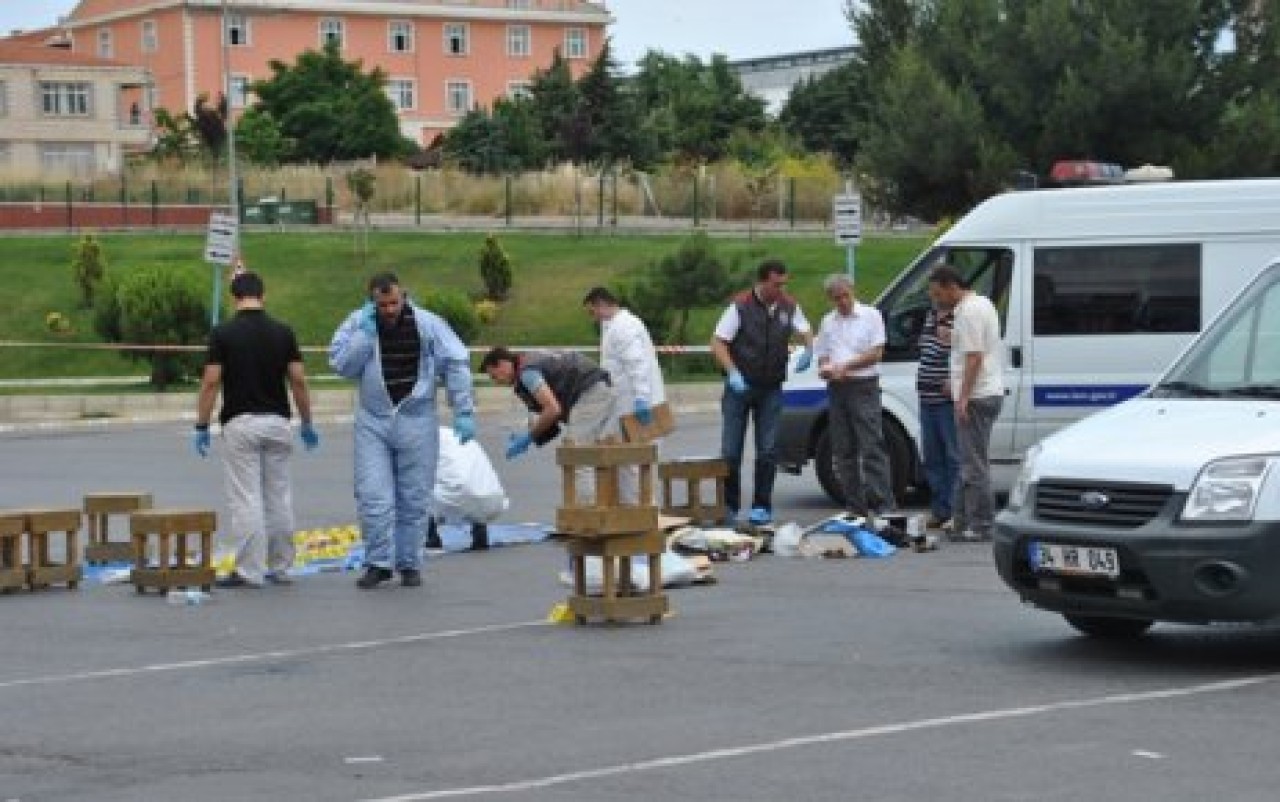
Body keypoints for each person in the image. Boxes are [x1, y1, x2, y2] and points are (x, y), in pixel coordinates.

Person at [329, 272, 476, 590]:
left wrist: (463, 408)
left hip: (417, 417)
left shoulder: (428, 324)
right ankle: (378, 562)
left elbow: (456, 361)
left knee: (415, 495)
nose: (390, 310)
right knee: (373, 495)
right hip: (373, 420)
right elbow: (341, 365)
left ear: (404, 296)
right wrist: (364, 338)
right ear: (372, 302)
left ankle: (409, 561)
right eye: (382, 305)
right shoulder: (358, 324)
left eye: (395, 302)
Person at [193, 270, 318, 589]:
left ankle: (250, 570)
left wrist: (202, 424)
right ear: (263, 295)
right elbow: (299, 381)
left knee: (246, 498)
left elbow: (210, 383)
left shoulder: (223, 334)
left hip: (241, 422)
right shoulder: (283, 332)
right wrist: (307, 422)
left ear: (235, 298)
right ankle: (281, 566)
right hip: (278, 422)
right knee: (279, 495)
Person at [710, 259, 814, 526]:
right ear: (762, 281)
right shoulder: (740, 306)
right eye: (776, 284)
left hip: (771, 388)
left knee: (768, 450)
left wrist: (809, 349)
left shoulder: (788, 306)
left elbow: (805, 329)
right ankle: (730, 506)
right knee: (731, 450)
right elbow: (718, 342)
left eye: (784, 283)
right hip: (740, 387)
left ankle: (761, 506)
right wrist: (733, 372)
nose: (781, 289)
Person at [927, 265, 1004, 541]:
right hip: (984, 391)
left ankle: (982, 524)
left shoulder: (969, 311)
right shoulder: (981, 303)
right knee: (966, 461)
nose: (937, 301)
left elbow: (974, 357)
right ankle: (960, 521)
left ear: (951, 286)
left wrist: (963, 396)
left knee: (973, 465)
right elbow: (969, 350)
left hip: (978, 396)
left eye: (938, 295)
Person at [479, 346, 616, 498]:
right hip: (599, 387)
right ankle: (606, 508)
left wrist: (528, 438)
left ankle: (588, 516)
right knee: (598, 454)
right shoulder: (529, 361)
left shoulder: (527, 373)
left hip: (590, 392)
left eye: (494, 376)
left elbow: (552, 409)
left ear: (503, 364)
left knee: (579, 458)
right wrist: (531, 433)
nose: (496, 382)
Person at [813, 274, 894, 521]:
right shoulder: (828, 322)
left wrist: (847, 366)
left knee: (871, 445)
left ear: (852, 291)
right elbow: (823, 353)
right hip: (837, 388)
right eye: (837, 299)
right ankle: (855, 505)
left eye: (845, 296)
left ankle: (883, 504)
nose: (842, 302)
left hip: (863, 385)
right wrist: (827, 368)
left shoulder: (870, 315)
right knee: (842, 448)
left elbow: (876, 352)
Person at [582, 286, 666, 503]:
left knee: (635, 464)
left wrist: (641, 398)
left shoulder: (624, 327)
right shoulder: (615, 326)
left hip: (635, 405)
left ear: (602, 304)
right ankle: (636, 512)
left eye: (593, 311)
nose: (593, 317)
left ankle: (639, 516)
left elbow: (637, 365)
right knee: (631, 464)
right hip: (627, 404)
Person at [917, 282, 960, 532]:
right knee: (932, 457)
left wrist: (953, 379)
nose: (932, 297)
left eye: (936, 293)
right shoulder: (931, 316)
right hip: (926, 395)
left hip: (946, 398)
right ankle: (939, 509)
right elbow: (926, 348)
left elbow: (963, 354)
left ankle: (955, 510)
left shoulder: (959, 317)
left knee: (953, 456)